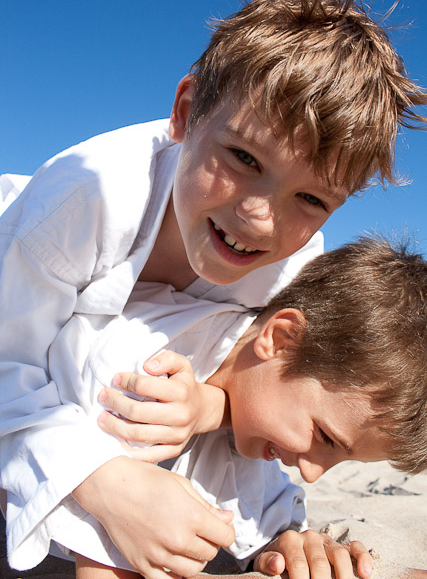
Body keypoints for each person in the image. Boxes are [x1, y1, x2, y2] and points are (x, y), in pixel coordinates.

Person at [1, 0, 426, 579]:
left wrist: (214, 416)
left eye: (311, 199)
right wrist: (102, 479)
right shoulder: (86, 196)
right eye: (243, 157)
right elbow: (9, 363)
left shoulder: (292, 268)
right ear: (185, 112)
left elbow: (250, 380)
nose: (260, 218)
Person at [39, 236, 427, 579]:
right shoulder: (143, 373)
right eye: (324, 437)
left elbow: (267, 515)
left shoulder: (253, 415)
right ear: (280, 340)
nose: (311, 474)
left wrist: (287, 545)